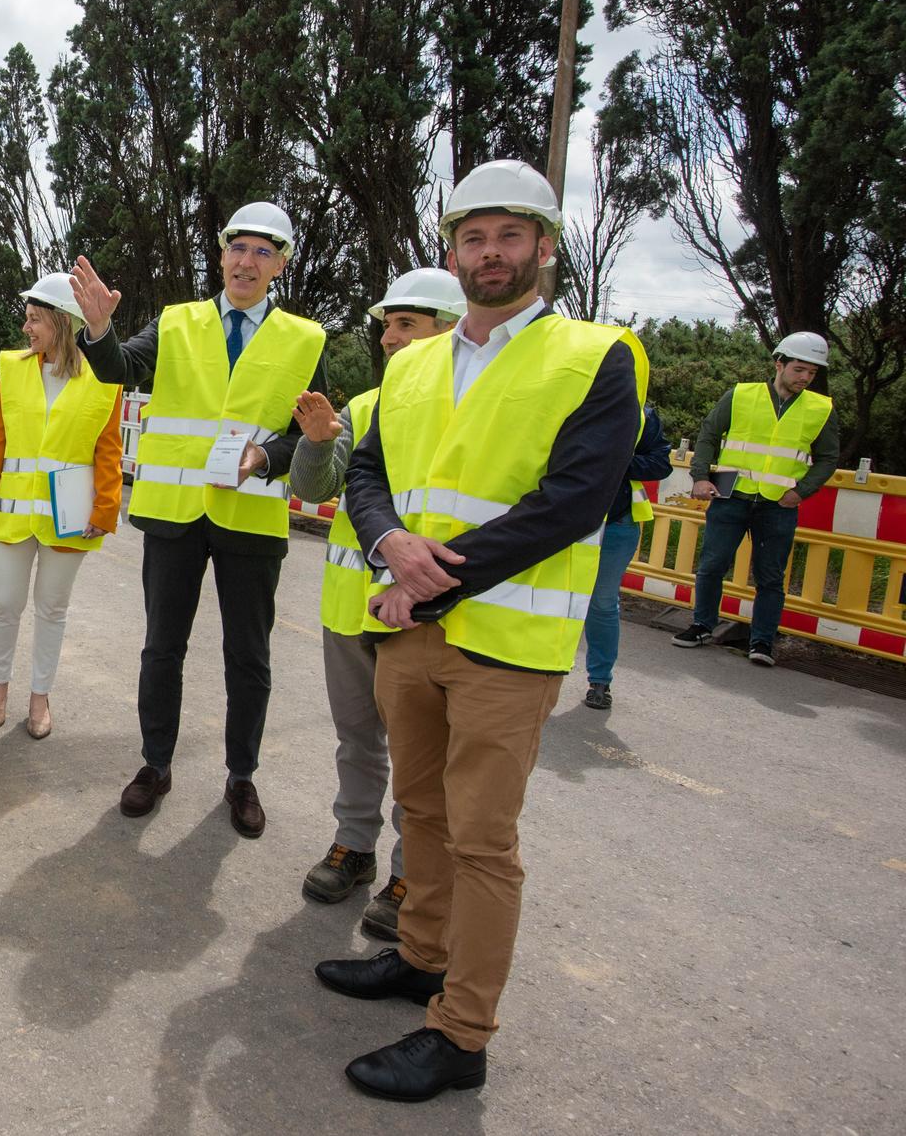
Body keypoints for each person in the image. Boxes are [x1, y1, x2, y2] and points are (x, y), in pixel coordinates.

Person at [318, 160, 646, 1101]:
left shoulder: (596, 354)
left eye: (510, 236)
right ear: (452, 249)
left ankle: (462, 1033)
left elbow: (574, 500)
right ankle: (420, 957)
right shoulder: (411, 361)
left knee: (481, 840)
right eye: (473, 236)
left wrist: (427, 576)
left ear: (546, 246)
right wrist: (388, 543)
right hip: (412, 631)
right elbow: (366, 477)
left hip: (506, 642)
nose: (491, 253)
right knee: (419, 812)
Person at [68, 201, 328, 837]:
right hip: (175, 514)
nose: (247, 261)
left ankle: (242, 777)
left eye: (264, 252)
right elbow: (119, 368)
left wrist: (267, 454)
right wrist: (99, 331)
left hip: (251, 516)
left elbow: (312, 431)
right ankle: (155, 765)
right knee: (163, 649)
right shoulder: (176, 322)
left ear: (281, 265)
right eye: (238, 248)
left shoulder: (306, 339)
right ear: (220, 255)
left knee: (249, 657)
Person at [290, 267, 464, 939]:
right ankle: (354, 847)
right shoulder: (361, 407)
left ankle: (410, 872)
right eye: (387, 325)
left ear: (448, 329)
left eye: (406, 324)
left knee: (424, 757)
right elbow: (314, 488)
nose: (389, 337)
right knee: (358, 739)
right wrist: (315, 439)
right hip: (349, 607)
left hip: (426, 613)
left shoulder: (465, 410)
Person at [0, 272, 123, 739]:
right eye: (27, 318)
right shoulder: (14, 368)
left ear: (61, 322)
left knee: (52, 609)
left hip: (69, 516)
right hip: (13, 511)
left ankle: (40, 696)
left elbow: (109, 448)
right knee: (4, 605)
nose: (26, 328)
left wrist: (104, 509)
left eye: (34, 319)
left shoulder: (104, 376)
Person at [671, 332, 839, 667]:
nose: (805, 378)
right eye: (799, 370)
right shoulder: (741, 395)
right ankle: (703, 625)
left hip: (778, 504)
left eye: (812, 373)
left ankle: (761, 641)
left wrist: (800, 492)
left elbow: (827, 458)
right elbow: (708, 434)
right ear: (780, 364)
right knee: (712, 565)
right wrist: (701, 476)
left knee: (770, 576)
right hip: (731, 494)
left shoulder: (820, 408)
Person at [581, 403, 673, 708]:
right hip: (568, 520)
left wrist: (616, 463)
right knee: (548, 596)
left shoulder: (643, 414)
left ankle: (599, 681)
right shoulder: (573, 396)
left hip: (618, 523)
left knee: (602, 603)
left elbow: (661, 463)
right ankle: (538, 671)